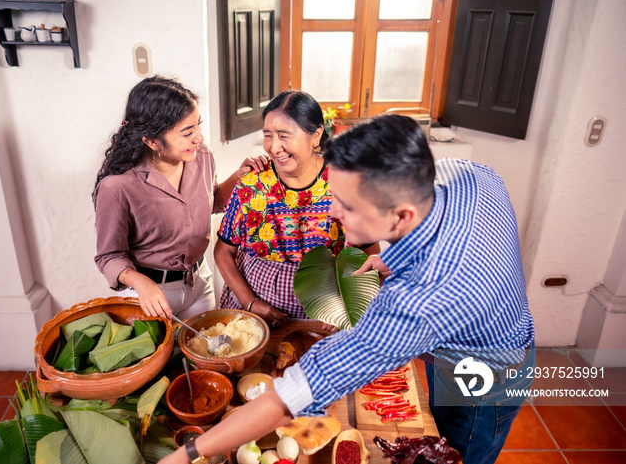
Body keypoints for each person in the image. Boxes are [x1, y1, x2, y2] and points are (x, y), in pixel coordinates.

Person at [157, 113, 535, 464]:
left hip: (484, 379)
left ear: (401, 215)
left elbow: (294, 395)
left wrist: (188, 454)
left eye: (347, 206)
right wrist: (396, 257)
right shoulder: (470, 175)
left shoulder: (423, 299)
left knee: (459, 452)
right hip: (485, 332)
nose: (332, 212)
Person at [93, 76, 267, 320]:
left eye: (198, 125)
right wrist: (142, 284)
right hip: (150, 295)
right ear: (152, 141)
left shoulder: (202, 156)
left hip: (199, 283)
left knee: (205, 355)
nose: (199, 138)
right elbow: (109, 256)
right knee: (166, 359)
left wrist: (239, 177)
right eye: (187, 132)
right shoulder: (117, 187)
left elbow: (212, 201)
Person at [214, 90, 379, 327]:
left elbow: (370, 253)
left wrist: (348, 308)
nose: (274, 147)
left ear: (316, 135)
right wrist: (249, 302)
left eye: (284, 135)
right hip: (255, 313)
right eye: (268, 135)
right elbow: (223, 251)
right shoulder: (252, 184)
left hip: (325, 314)